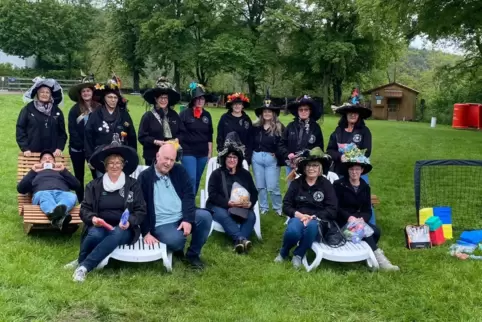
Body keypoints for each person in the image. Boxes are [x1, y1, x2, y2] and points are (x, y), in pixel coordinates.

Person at [70, 139, 146, 282]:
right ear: (105, 166)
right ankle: (81, 260)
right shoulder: (94, 185)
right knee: (94, 234)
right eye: (110, 163)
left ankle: (84, 267)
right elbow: (84, 209)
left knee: (117, 232)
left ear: (123, 165)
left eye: (118, 163)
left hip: (125, 228)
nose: (114, 166)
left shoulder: (132, 185)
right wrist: (92, 218)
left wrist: (129, 222)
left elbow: (140, 210)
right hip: (101, 225)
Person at [137, 144, 212, 269]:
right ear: (157, 156)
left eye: (172, 160)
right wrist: (146, 232)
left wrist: (187, 219)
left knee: (205, 217)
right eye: (166, 158)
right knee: (177, 241)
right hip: (161, 223)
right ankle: (177, 247)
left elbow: (189, 195)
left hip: (181, 216)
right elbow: (140, 206)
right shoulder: (145, 177)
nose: (168, 163)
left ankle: (193, 255)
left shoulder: (179, 170)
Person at [333, 149, 399, 271]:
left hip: (359, 220)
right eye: (351, 169)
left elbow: (368, 210)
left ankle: (367, 252)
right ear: (347, 170)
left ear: (362, 170)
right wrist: (349, 217)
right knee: (365, 231)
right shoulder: (338, 184)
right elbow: (336, 207)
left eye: (357, 169)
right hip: (343, 221)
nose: (354, 172)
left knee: (376, 231)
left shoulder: (365, 186)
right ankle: (381, 260)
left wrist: (362, 219)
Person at [275, 148, 337, 269]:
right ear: (304, 168)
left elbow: (333, 209)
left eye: (315, 165)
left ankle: (298, 254)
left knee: (312, 226)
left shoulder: (326, 184)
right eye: (308, 165)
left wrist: (315, 216)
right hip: (299, 216)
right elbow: (286, 205)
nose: (311, 168)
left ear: (320, 168)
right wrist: (299, 215)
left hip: (318, 219)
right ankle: (284, 251)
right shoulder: (296, 183)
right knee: (293, 232)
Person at [206, 132, 258, 254]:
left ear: (238, 159)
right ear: (224, 159)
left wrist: (250, 203)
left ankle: (239, 243)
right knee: (224, 215)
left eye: (235, 157)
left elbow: (254, 192)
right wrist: (228, 203)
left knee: (251, 216)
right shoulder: (217, 174)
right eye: (229, 157)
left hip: (241, 206)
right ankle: (241, 239)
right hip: (219, 206)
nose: (232, 160)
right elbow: (212, 194)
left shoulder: (245, 174)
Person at [17, 150, 80, 231]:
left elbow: (77, 186)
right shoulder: (35, 174)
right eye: (44, 159)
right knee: (45, 195)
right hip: (42, 193)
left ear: (54, 161)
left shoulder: (61, 172)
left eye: (50, 158)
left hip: (62, 194)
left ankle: (56, 217)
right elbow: (21, 189)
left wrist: (64, 171)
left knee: (72, 196)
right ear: (40, 162)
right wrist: (32, 171)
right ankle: (59, 215)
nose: (47, 160)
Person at [84, 81, 137, 170]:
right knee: (101, 182)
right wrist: (90, 158)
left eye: (115, 97)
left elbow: (132, 136)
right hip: (100, 156)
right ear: (104, 98)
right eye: (110, 97)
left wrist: (132, 155)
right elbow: (88, 137)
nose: (113, 100)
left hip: (120, 157)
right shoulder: (96, 114)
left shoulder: (124, 114)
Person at [251, 90, 284, 216]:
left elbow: (283, 143)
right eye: (265, 111)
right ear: (261, 113)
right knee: (260, 186)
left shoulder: (280, 127)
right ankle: (263, 207)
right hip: (257, 157)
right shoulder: (255, 126)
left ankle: (277, 208)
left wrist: (278, 153)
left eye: (269, 111)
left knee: (273, 186)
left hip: (272, 160)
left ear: (273, 113)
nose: (267, 114)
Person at [67, 81, 101, 201]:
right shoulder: (74, 110)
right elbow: (72, 129)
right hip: (78, 147)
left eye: (88, 90)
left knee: (96, 174)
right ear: (80, 94)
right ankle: (81, 200)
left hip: (94, 148)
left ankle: (97, 199)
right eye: (83, 91)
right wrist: (82, 144)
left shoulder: (99, 108)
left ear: (92, 92)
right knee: (79, 175)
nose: (86, 93)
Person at [16, 78, 67, 157]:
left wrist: (59, 148)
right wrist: (25, 148)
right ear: (37, 94)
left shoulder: (57, 111)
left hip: (52, 154)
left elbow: (62, 133)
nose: (44, 94)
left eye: (47, 92)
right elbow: (20, 129)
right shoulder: (27, 109)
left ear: (51, 95)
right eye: (42, 92)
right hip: (32, 152)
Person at [138, 77, 183, 165]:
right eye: (161, 98)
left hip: (170, 157)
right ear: (155, 99)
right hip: (152, 156)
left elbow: (182, 132)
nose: (163, 100)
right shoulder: (148, 116)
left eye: (165, 98)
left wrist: (177, 139)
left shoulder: (174, 115)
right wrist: (156, 142)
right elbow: (142, 137)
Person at [278, 95, 324, 181]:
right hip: (291, 165)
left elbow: (319, 149)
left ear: (310, 111)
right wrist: (288, 154)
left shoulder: (316, 128)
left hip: (308, 166)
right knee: (292, 190)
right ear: (297, 111)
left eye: (306, 109)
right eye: (301, 110)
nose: (303, 112)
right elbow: (281, 144)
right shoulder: (290, 126)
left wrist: (308, 158)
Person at [179, 82, 213, 195]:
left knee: (197, 179)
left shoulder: (207, 115)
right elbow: (178, 133)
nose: (200, 101)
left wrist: (209, 152)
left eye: (202, 98)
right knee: (191, 178)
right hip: (188, 151)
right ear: (193, 100)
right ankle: (189, 205)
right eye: (197, 98)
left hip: (202, 152)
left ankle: (191, 201)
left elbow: (209, 135)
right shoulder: (184, 114)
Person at [327, 91, 372, 176]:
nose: (353, 115)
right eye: (350, 112)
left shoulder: (364, 131)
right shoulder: (338, 131)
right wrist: (340, 157)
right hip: (339, 171)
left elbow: (367, 152)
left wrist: (350, 158)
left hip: (356, 172)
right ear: (346, 114)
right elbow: (330, 150)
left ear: (359, 115)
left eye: (356, 112)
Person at [217, 92, 253, 164]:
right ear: (231, 105)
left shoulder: (246, 119)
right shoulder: (224, 118)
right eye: (235, 104)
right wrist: (221, 150)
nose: (237, 106)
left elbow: (250, 138)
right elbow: (220, 136)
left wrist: (247, 155)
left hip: (243, 154)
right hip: (227, 154)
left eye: (239, 104)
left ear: (242, 106)